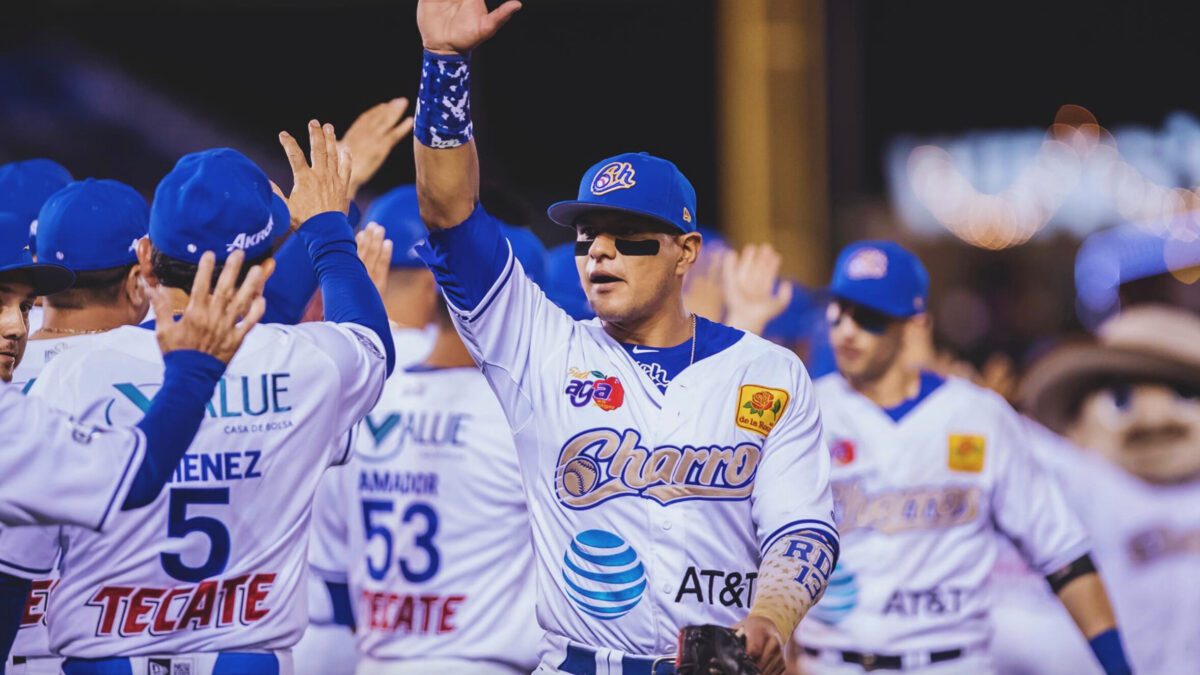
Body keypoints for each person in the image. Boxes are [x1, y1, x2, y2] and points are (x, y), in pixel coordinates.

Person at [409, 3, 838, 674]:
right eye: (586, 235)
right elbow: (447, 211)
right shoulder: (541, 348)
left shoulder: (770, 372)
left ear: (684, 251)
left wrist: (772, 616)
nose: (600, 250)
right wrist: (445, 67)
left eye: (628, 234)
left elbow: (802, 529)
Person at [18, 123, 393, 675]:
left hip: (102, 657)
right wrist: (327, 230)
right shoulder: (308, 363)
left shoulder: (73, 375)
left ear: (145, 262)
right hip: (247, 657)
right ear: (265, 268)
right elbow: (371, 342)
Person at [794, 240, 1131, 674]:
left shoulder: (978, 416)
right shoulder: (804, 412)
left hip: (949, 662)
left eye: (869, 316)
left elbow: (1063, 554)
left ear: (914, 326)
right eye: (838, 311)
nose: (846, 330)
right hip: (831, 664)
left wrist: (1120, 669)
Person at [0, 246, 270, 671]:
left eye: (27, 305)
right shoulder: (21, 413)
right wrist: (195, 369)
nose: (16, 326)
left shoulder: (14, 413)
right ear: (136, 280)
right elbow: (136, 474)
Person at [307, 239, 545, 675]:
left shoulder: (369, 396)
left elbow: (332, 564)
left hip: (374, 658)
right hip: (484, 663)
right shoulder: (524, 418)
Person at [1002, 305, 1200, 675]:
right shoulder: (1083, 484)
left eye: (1184, 394)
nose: (1154, 419)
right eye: (1121, 399)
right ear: (1078, 422)